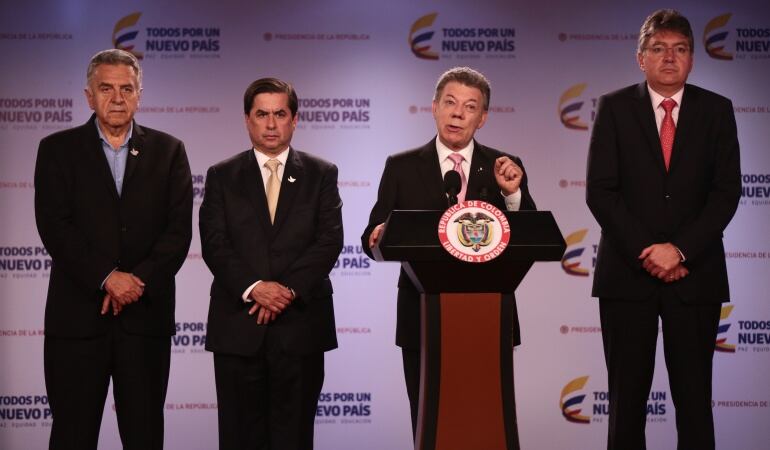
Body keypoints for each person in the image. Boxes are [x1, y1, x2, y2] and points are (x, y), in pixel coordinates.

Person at [586, 9, 741, 450]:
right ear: (641, 58)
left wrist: (680, 251)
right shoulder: (613, 108)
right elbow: (601, 192)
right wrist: (649, 251)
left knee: (695, 405)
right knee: (626, 405)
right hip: (627, 277)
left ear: (692, 59)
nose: (669, 58)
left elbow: (726, 193)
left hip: (695, 277)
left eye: (680, 49)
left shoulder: (717, 111)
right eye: (658, 49)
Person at [361, 66, 536, 437]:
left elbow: (532, 235)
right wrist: (379, 235)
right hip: (421, 315)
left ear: (482, 118)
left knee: (485, 422)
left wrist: (513, 196)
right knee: (429, 422)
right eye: (450, 103)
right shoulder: (402, 166)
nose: (458, 113)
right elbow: (372, 237)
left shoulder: (505, 167)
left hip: (488, 316)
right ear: (434, 107)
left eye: (469, 106)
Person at [34, 49, 193, 450]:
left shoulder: (169, 151)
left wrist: (135, 283)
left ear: (140, 95)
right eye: (106, 88)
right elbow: (55, 227)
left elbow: (177, 234)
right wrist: (107, 278)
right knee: (72, 436)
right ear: (89, 96)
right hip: (77, 324)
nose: (117, 98)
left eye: (127, 88)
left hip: (144, 324)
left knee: (144, 438)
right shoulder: (56, 149)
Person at [200, 77, 343, 450]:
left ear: (295, 120)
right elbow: (215, 245)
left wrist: (287, 291)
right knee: (238, 438)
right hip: (238, 328)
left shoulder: (322, 174)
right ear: (247, 120)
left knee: (294, 438)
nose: (271, 123)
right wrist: (256, 289)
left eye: (280, 114)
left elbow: (328, 241)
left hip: (300, 329)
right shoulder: (221, 175)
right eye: (261, 114)